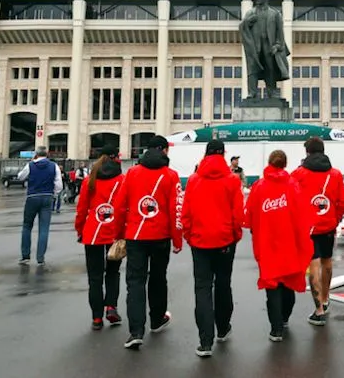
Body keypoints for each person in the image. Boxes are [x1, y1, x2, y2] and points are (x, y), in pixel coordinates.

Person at [114, 135, 183, 350]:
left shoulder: (132, 173)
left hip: (135, 235)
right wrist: (177, 239)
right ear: (163, 150)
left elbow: (119, 206)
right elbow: (176, 210)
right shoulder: (171, 175)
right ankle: (157, 318)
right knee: (158, 277)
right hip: (161, 235)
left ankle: (136, 331)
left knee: (135, 282)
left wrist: (119, 233)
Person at [181, 138, 244, 358]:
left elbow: (186, 212)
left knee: (202, 288)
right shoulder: (232, 180)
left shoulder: (194, 180)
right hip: (225, 240)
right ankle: (223, 327)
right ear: (223, 154)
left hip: (200, 240)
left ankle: (205, 341)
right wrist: (235, 235)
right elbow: (238, 213)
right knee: (223, 284)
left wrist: (189, 235)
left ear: (205, 154)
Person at [244, 150, 313, 342]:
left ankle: (276, 329)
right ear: (285, 164)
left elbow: (249, 215)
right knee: (288, 281)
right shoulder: (293, 186)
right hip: (289, 242)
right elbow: (302, 215)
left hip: (267, 242)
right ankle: (284, 318)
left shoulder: (259, 187)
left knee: (272, 284)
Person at [291, 136, 344, 326]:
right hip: (328, 226)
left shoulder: (298, 174)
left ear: (307, 152)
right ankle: (325, 298)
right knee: (327, 261)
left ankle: (319, 311)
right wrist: (335, 218)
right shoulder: (335, 174)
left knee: (314, 265)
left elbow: (291, 200)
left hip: (308, 227)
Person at [74, 144, 126, 330]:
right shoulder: (122, 180)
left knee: (94, 277)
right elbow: (124, 208)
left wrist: (80, 230)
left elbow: (81, 209)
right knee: (113, 272)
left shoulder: (90, 180)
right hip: (114, 232)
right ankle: (111, 306)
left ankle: (96, 317)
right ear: (115, 158)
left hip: (93, 232)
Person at [239, 0, 290, 99]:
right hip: (255, 46)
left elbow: (280, 32)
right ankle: (252, 92)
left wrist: (278, 45)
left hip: (269, 45)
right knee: (252, 69)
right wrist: (247, 22)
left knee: (270, 69)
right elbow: (242, 26)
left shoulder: (275, 14)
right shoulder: (251, 13)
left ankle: (272, 92)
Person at [17, 147, 63, 266]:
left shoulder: (30, 165)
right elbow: (59, 185)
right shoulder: (54, 166)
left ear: (36, 154)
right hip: (47, 197)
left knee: (27, 226)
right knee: (44, 228)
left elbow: (20, 177)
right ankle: (40, 258)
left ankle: (25, 255)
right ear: (47, 154)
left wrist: (32, 162)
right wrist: (54, 194)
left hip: (32, 197)